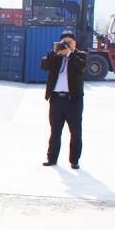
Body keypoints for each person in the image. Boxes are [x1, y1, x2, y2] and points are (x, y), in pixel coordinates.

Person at [40, 31, 87, 169]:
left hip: (74, 100)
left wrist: (69, 54)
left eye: (69, 42)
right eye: (64, 42)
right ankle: (52, 158)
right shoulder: (56, 55)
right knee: (55, 131)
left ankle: (74, 160)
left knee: (76, 132)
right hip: (56, 100)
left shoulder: (80, 55)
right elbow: (43, 66)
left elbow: (82, 66)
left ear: (74, 43)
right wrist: (53, 53)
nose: (66, 45)